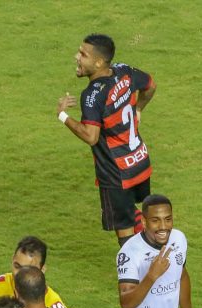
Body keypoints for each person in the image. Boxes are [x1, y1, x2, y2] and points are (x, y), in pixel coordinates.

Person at [56, 33, 156, 245]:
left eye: (82, 54)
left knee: (126, 236)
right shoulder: (124, 71)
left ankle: (140, 274)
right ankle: (155, 255)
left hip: (115, 173)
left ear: (98, 62)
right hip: (140, 161)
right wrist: (138, 108)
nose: (76, 57)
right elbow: (151, 85)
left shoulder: (92, 94)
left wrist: (63, 116)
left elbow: (91, 137)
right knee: (134, 212)